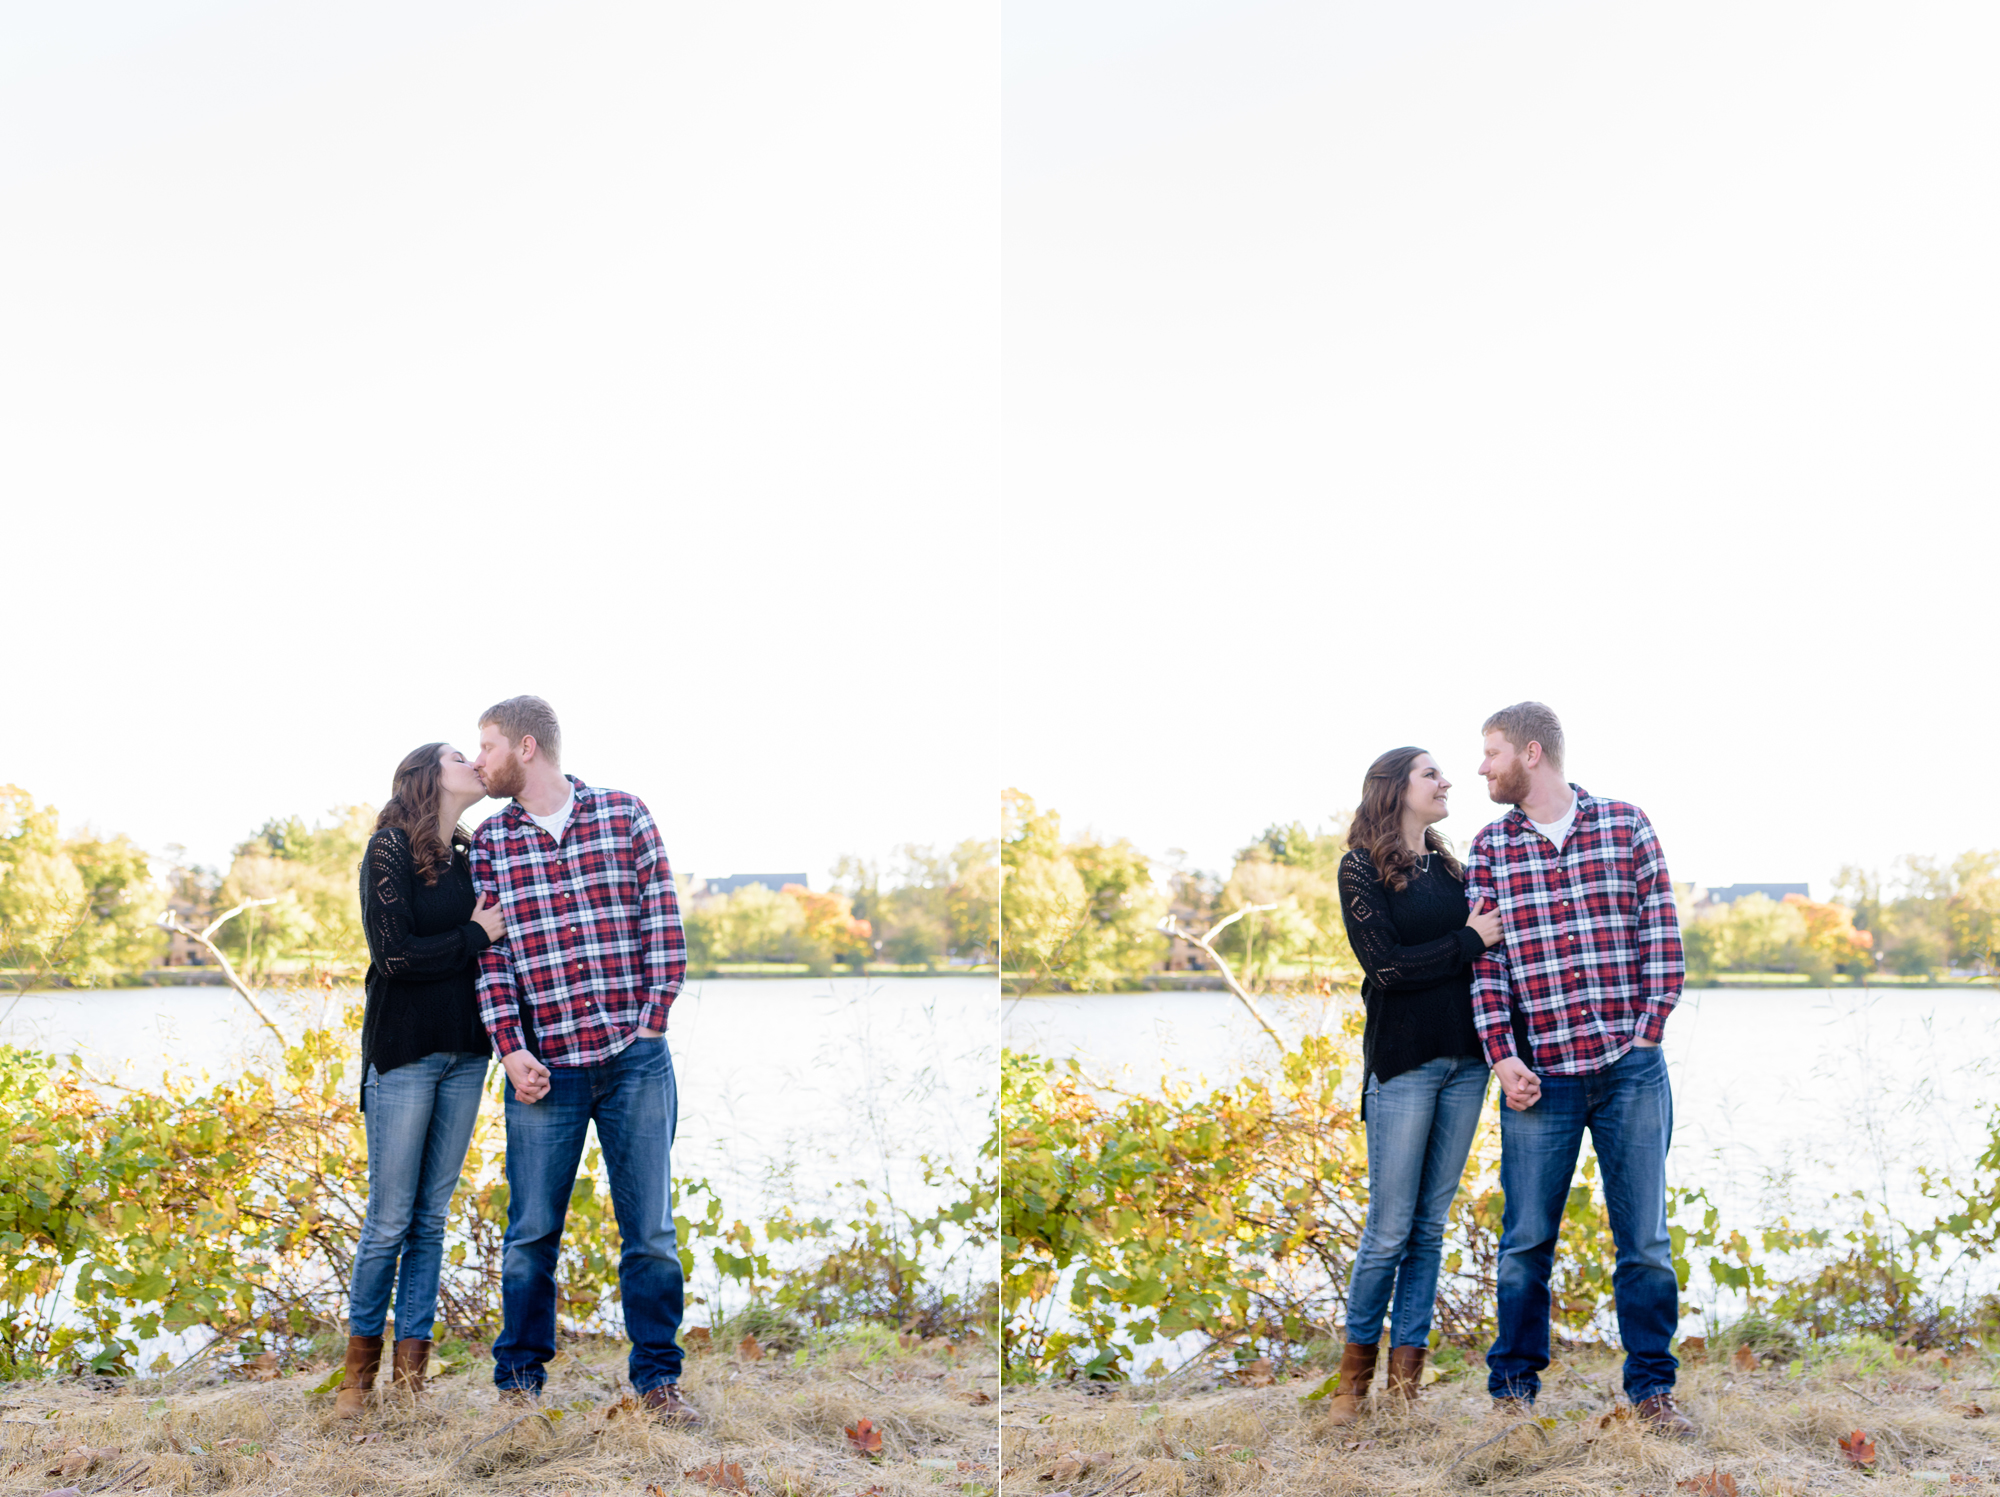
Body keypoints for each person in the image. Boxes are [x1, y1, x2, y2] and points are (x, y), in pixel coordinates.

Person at [468, 695, 700, 1423]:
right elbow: (490, 958)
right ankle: (519, 1387)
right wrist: (511, 1049)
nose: (478, 761)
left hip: (634, 1061)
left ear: (527, 747)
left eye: (487, 746)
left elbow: (661, 919)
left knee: (651, 1232)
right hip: (545, 1072)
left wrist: (651, 1023)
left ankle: (658, 1381)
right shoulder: (489, 843)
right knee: (530, 1232)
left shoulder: (624, 814)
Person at [1464, 702, 1692, 1436]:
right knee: (1525, 1241)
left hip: (1630, 1070)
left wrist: (1647, 1034)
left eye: (1491, 752)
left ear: (1532, 753)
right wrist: (1503, 1055)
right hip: (1542, 1079)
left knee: (1645, 1242)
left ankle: (1653, 1391)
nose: (1481, 767)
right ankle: (1513, 1396)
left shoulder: (1626, 825)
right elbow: (1487, 963)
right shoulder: (1491, 848)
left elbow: (1661, 933)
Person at [1324, 747, 1502, 1423]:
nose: (1448, 780)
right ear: (1396, 788)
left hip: (1467, 1061)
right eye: (1432, 773)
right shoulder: (1360, 867)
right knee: (1389, 1229)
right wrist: (1467, 940)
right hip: (1403, 1062)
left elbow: (1487, 947)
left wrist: (1473, 943)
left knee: (1429, 1229)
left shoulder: (1451, 866)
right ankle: (1351, 1388)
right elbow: (1389, 968)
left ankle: (1405, 1390)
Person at [337, 743, 504, 1419]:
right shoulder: (389, 849)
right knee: (388, 1222)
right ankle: (356, 1381)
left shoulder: (472, 855)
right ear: (428, 775)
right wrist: (472, 935)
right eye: (461, 754)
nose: (475, 761)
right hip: (405, 1054)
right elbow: (395, 954)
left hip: (467, 1053)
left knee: (430, 1221)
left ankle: (411, 1381)